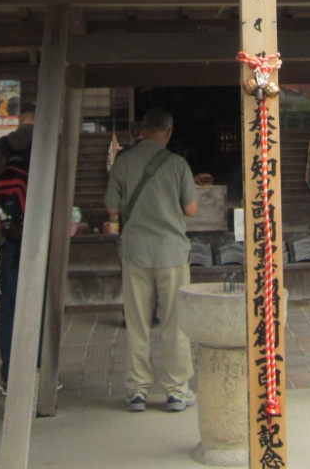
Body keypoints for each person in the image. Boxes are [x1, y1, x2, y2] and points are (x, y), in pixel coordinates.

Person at [104, 108, 199, 413]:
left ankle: (137, 390)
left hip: (136, 253)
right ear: (168, 133)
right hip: (171, 253)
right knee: (175, 322)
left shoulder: (123, 162)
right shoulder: (177, 164)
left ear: (141, 131)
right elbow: (191, 210)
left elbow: (112, 209)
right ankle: (176, 389)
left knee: (138, 322)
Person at [0, 102, 37, 393]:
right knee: (39, 303)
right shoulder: (46, 143)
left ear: (19, 118)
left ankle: (9, 375)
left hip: (8, 237)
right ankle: (39, 371)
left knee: (10, 304)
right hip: (38, 236)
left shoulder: (1, 146)